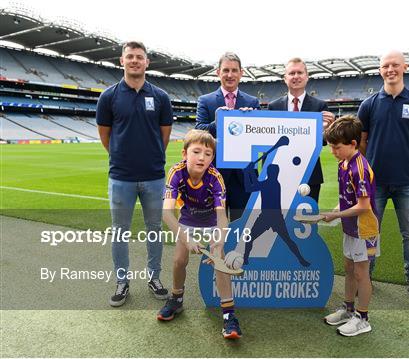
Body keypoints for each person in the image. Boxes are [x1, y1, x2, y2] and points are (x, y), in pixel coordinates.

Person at [96, 41, 172, 307]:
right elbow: (105, 135)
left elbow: (164, 134)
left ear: (147, 62)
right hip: (121, 177)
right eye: (130, 57)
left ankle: (154, 277)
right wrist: (121, 157)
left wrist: (151, 157)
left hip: (153, 176)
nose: (135, 61)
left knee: (154, 230)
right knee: (120, 232)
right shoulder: (109, 96)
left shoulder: (161, 97)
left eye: (139, 57)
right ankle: (122, 281)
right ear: (122, 61)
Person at [357, 50, 409, 305]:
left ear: (405, 68)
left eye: (395, 65)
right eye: (385, 66)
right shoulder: (368, 104)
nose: (390, 69)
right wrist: (373, 167)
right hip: (375, 183)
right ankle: (367, 277)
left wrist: (408, 162)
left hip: (406, 182)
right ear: (380, 70)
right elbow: (362, 142)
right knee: (371, 232)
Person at [157, 129, 242, 340]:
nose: (202, 157)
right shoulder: (176, 172)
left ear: (213, 158)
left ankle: (229, 315)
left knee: (219, 263)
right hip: (188, 221)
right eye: (196, 152)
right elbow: (166, 213)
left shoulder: (216, 178)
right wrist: (187, 239)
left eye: (208, 154)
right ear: (185, 154)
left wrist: (218, 242)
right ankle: (176, 300)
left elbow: (222, 217)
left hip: (213, 222)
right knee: (178, 260)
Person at [320, 115, 379, 337]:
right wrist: (336, 212)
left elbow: (363, 206)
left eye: (336, 147)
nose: (333, 152)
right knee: (349, 269)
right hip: (350, 227)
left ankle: (363, 318)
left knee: (362, 274)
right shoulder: (343, 163)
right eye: (331, 147)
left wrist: (333, 216)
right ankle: (348, 309)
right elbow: (347, 198)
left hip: (364, 230)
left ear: (353, 144)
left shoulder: (360, 169)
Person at [195, 52, 260, 221]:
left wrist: (252, 122)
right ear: (218, 72)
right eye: (225, 70)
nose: (230, 75)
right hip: (214, 173)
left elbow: (259, 137)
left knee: (243, 226)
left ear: (241, 72)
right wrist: (219, 122)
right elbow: (198, 132)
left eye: (234, 70)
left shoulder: (252, 102)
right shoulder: (205, 100)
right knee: (214, 226)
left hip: (244, 176)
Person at [268, 57, 335, 202]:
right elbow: (270, 141)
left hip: (311, 173)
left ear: (307, 77)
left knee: (308, 220)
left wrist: (329, 129)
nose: (296, 77)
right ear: (285, 78)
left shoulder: (320, 106)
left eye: (300, 73)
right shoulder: (274, 107)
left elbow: (323, 142)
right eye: (292, 73)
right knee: (281, 219)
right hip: (281, 173)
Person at [243, 162, 310, 267]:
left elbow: (250, 187)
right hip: (271, 217)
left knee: (287, 240)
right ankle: (245, 259)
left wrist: (248, 173)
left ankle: (301, 259)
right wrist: (249, 172)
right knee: (250, 237)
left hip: (272, 217)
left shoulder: (271, 184)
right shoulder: (272, 183)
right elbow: (254, 185)